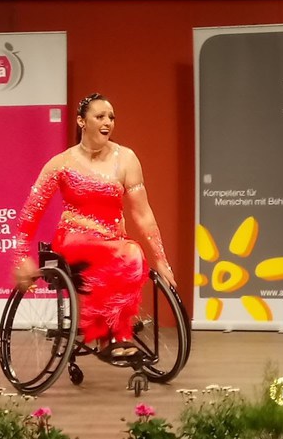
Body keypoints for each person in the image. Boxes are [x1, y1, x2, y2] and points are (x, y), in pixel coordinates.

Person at [12, 92, 176, 359]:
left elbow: (143, 214)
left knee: (132, 255)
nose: (107, 122)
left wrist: (161, 259)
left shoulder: (126, 159)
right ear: (81, 121)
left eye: (111, 117)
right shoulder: (61, 164)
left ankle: (117, 333)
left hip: (114, 240)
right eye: (100, 116)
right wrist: (21, 257)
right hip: (74, 239)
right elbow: (31, 212)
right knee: (122, 254)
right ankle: (106, 335)